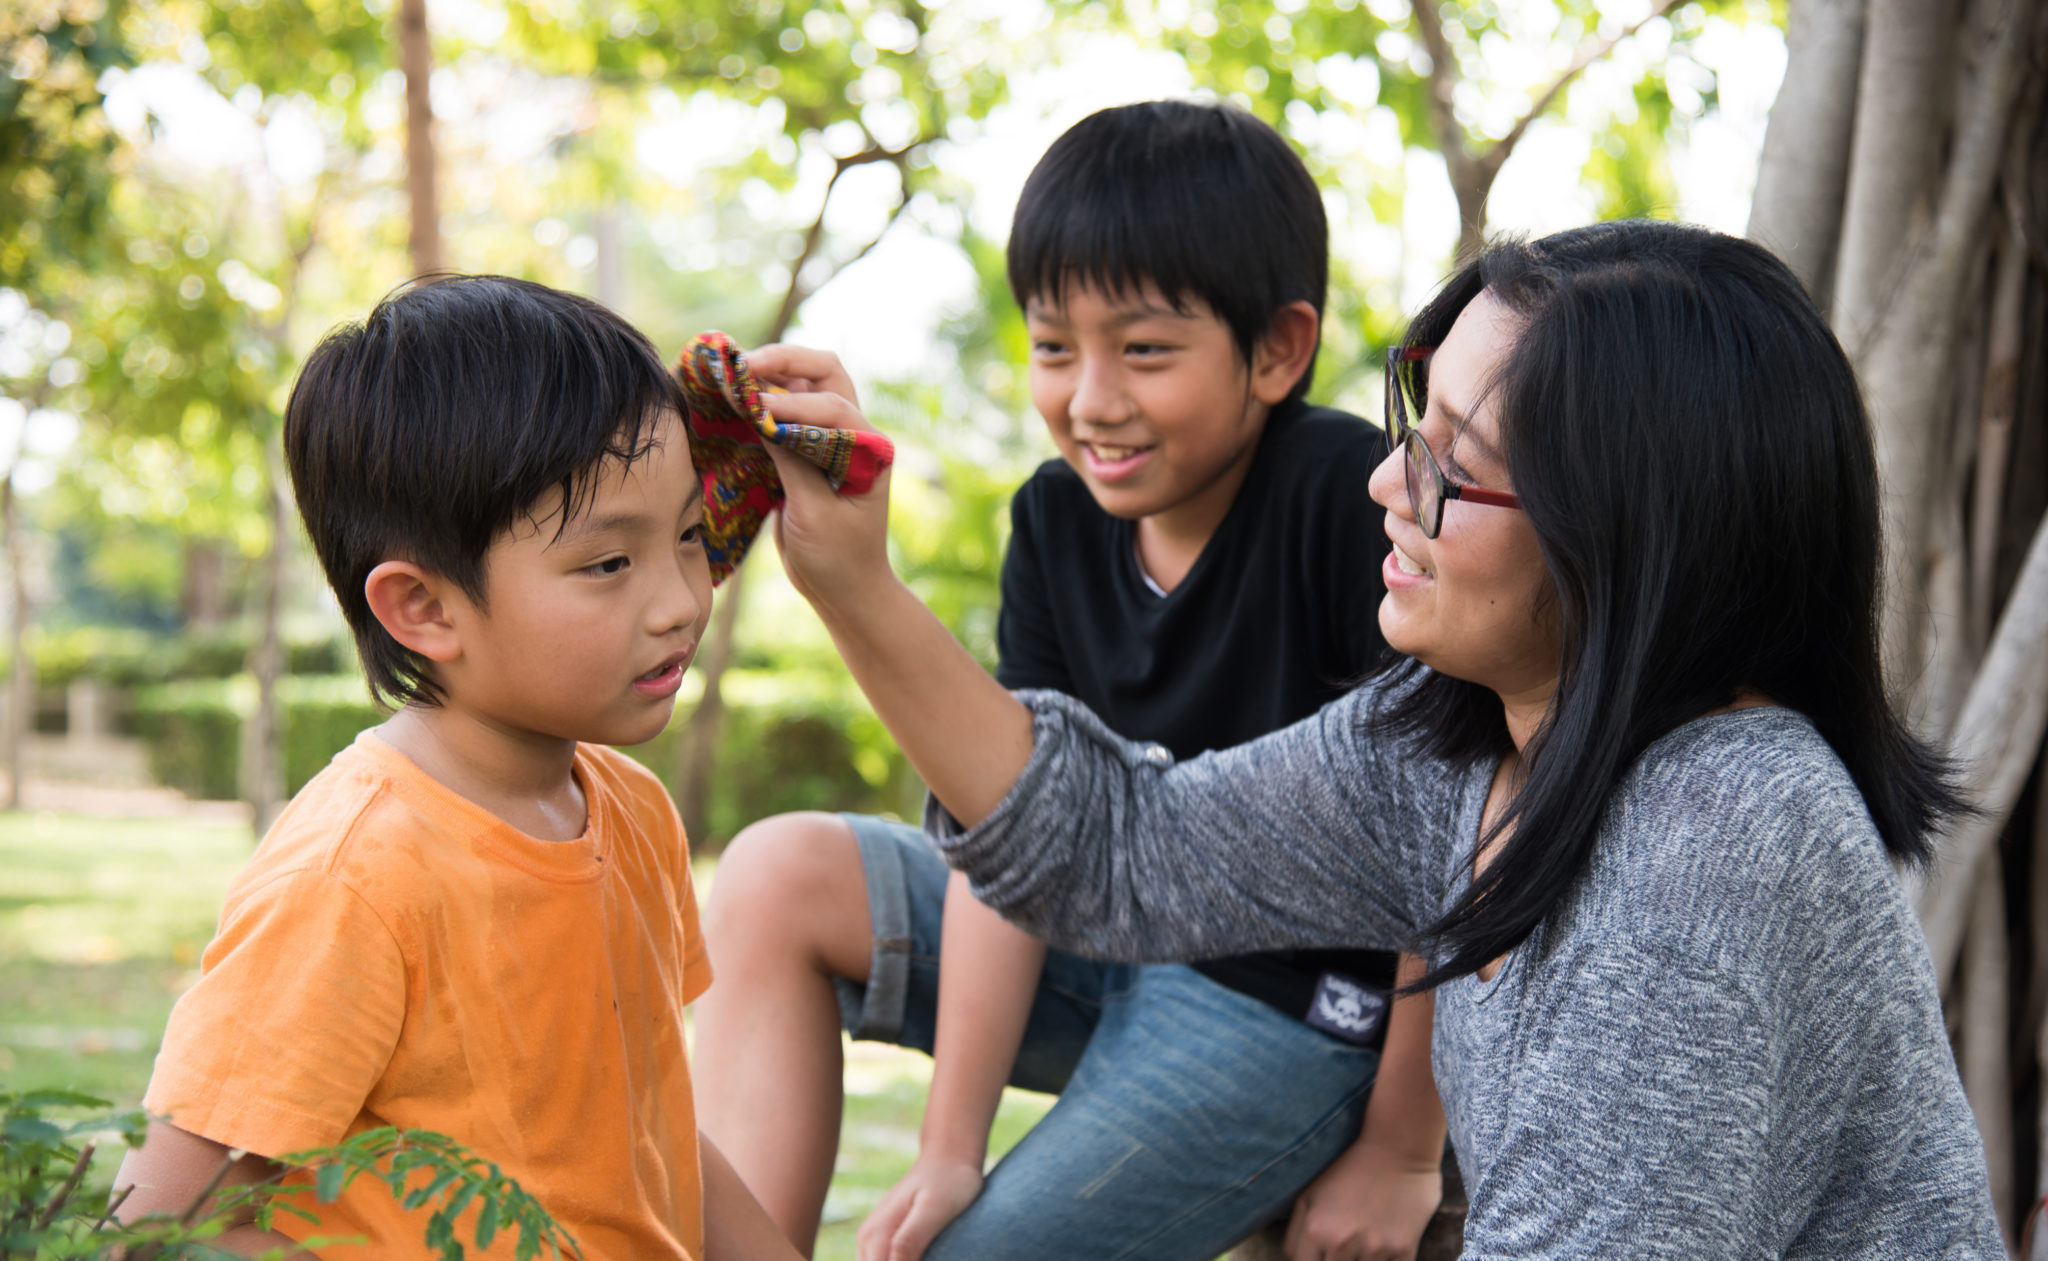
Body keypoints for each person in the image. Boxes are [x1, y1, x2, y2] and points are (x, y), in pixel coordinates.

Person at [746, 220, 2005, 1257]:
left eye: (1455, 465)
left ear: (1626, 537)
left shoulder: (1715, 844)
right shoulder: (1452, 743)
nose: (1385, 483)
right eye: (1415, 417)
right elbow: (1117, 855)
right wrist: (854, 582)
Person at [694, 101, 1448, 1261]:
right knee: (775, 871)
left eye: (1143, 349)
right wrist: (949, 1145)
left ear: (1277, 350)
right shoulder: (1051, 518)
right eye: (1054, 347)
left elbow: (1446, 833)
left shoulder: (1347, 502)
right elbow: (1018, 834)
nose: (1089, 398)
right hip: (1090, 949)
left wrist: (1401, 1146)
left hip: (1282, 1002)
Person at [112, 276, 800, 1261]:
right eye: (608, 564)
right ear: (424, 609)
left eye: (688, 539)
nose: (680, 601)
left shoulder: (632, 812)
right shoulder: (355, 873)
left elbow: (645, 1133)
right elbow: (162, 1219)